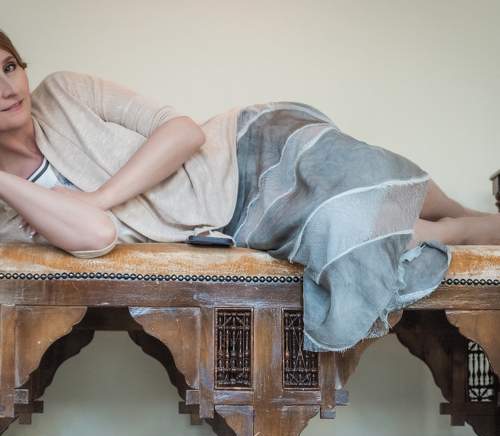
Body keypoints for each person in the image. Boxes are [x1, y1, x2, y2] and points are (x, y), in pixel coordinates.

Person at [0, 30, 497, 352]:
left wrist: (96, 196)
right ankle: (458, 228)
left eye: (9, 67)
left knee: (365, 171)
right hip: (239, 219)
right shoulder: (7, 208)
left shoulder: (63, 92)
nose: (7, 88)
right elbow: (96, 234)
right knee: (356, 227)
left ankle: (457, 212)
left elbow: (183, 132)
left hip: (242, 150)